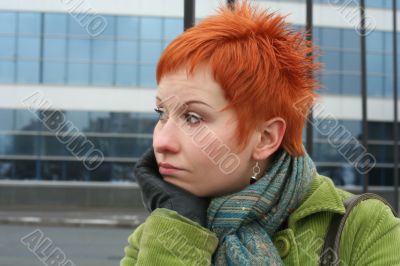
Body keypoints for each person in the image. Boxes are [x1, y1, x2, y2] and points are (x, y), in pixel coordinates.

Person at [120, 1, 400, 265]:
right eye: (162, 113)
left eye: (193, 117)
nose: (161, 141)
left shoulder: (365, 228)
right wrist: (181, 223)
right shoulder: (158, 233)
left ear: (265, 138)